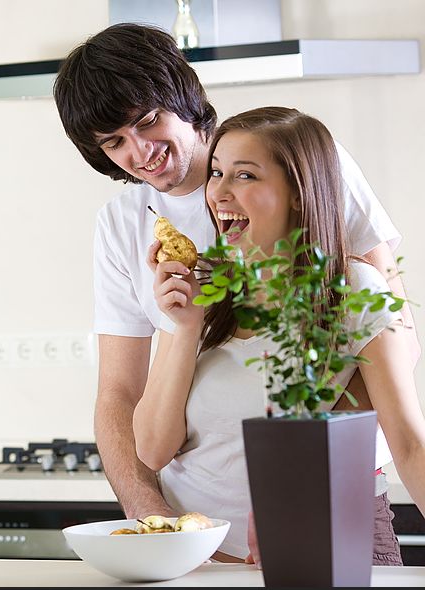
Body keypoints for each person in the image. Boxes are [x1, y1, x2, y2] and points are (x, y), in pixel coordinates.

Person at [52, 24, 418, 559]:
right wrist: (151, 516)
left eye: (148, 121)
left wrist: (304, 448)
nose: (140, 152)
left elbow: (395, 337)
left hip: (330, 514)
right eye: (114, 143)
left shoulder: (303, 163)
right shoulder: (122, 227)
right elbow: (119, 395)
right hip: (196, 529)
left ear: (183, 95)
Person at [133, 106, 425, 564]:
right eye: (216, 173)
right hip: (203, 564)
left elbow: (409, 443)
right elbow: (151, 449)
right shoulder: (199, 288)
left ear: (297, 193)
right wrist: (187, 327)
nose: (218, 193)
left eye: (245, 176)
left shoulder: (351, 289)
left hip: (321, 554)